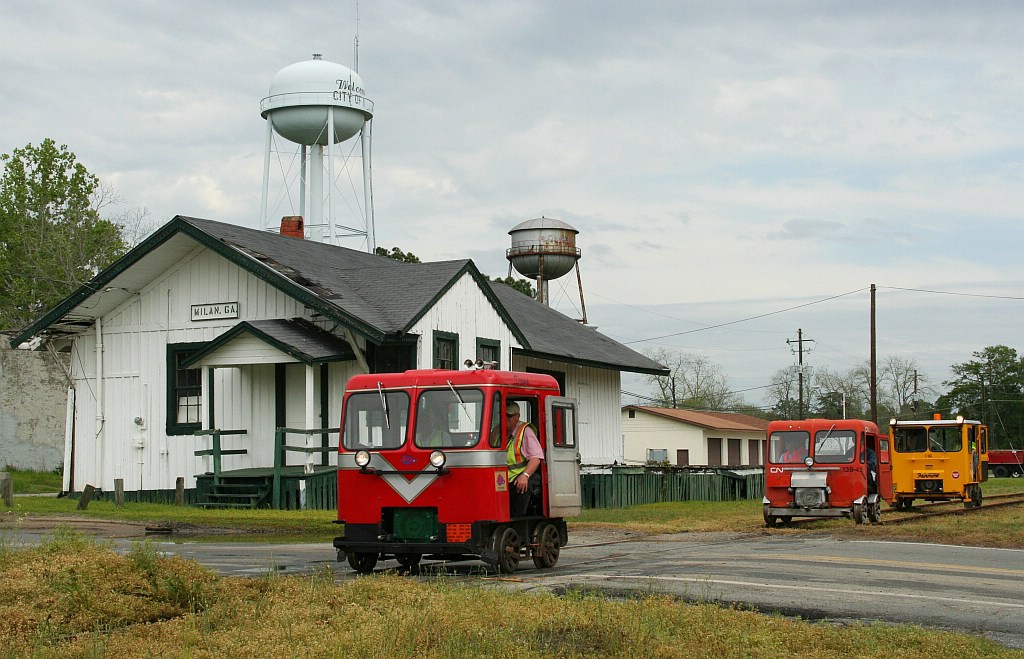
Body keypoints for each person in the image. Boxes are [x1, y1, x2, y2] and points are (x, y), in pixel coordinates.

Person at [505, 401, 543, 517]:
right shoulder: (497, 431)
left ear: (517, 417)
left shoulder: (525, 431)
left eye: (509, 416)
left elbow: (536, 457)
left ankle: (518, 520)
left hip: (519, 476)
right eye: (503, 415)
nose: (506, 418)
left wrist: (525, 475)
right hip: (502, 478)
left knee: (522, 486)